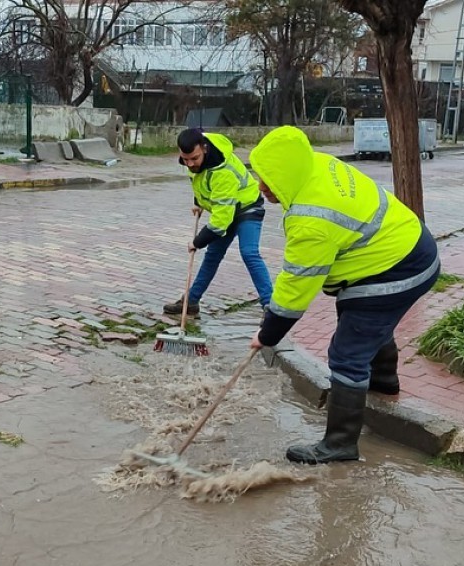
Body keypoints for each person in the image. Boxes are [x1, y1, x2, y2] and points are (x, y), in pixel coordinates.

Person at [248, 126, 440, 464]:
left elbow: (297, 287)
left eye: (267, 179)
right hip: (409, 247)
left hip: (395, 268)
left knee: (347, 351)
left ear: (286, 173)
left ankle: (340, 444)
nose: (262, 187)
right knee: (363, 322)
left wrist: (268, 333)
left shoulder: (311, 217)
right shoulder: (315, 165)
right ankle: (383, 382)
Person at [163, 128, 274, 317]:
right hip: (225, 209)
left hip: (247, 208)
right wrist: (198, 203)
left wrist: (197, 242)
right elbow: (200, 182)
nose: (190, 164)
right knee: (212, 256)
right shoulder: (194, 158)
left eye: (194, 159)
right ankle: (191, 302)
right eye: (185, 159)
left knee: (249, 252)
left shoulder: (223, 171)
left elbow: (220, 223)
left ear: (204, 149)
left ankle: (270, 305)